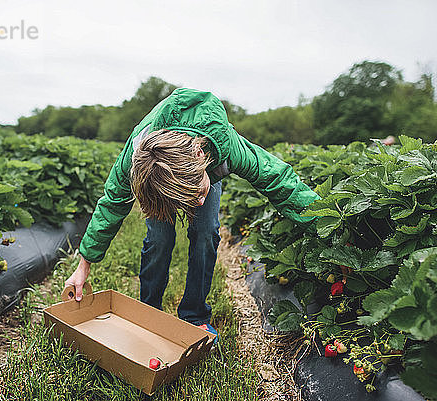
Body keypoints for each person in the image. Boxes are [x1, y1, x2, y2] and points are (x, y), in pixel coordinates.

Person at [65, 88, 319, 336]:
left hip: (204, 163)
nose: (196, 202)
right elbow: (111, 203)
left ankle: (194, 314)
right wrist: (84, 263)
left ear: (199, 155)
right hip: (160, 180)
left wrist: (329, 226)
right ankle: (149, 310)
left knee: (205, 231)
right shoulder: (137, 159)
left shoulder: (226, 145)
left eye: (195, 191)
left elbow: (280, 180)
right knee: (159, 239)